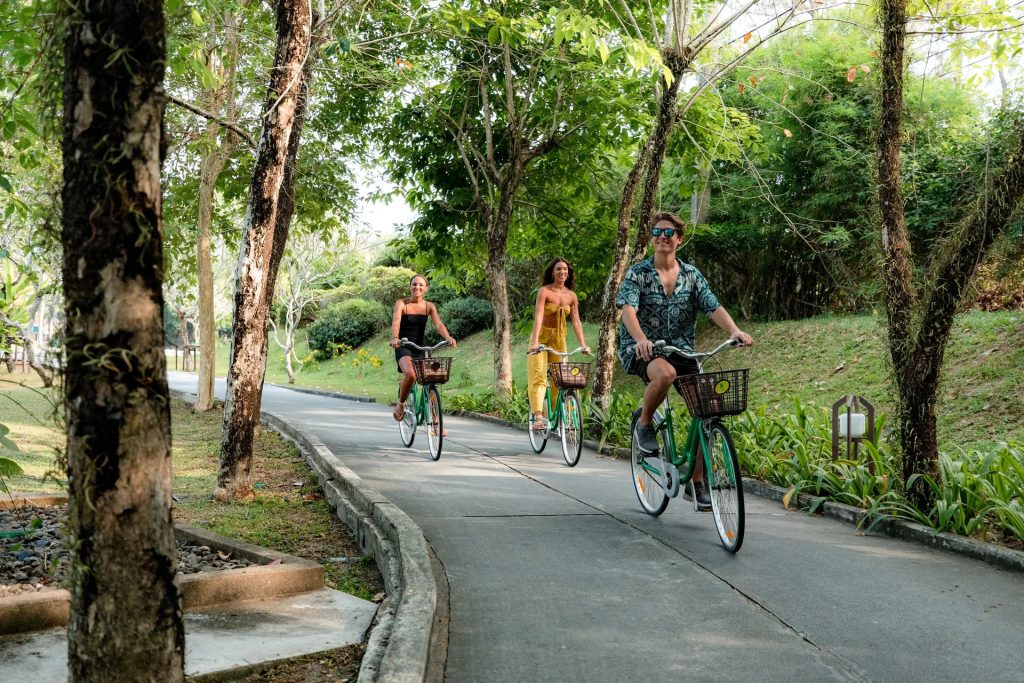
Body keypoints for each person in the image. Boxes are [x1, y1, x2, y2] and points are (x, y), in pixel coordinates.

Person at [615, 212, 752, 506]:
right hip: (643, 348)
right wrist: (640, 339)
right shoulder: (637, 273)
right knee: (664, 374)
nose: (662, 236)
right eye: (657, 232)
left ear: (679, 239)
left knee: (709, 409)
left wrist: (735, 330)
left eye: (668, 233)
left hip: (683, 349)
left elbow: (712, 306)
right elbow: (628, 310)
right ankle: (645, 423)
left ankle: (698, 481)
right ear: (652, 238)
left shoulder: (691, 274)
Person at [527, 258, 590, 430]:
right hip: (540, 337)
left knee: (561, 379)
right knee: (539, 375)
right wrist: (534, 342)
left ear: (568, 273)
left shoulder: (571, 296)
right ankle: (538, 416)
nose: (562, 272)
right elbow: (538, 316)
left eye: (565, 269)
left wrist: (583, 345)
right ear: (552, 272)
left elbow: (576, 321)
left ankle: (556, 415)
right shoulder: (544, 292)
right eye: (558, 269)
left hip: (559, 338)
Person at [389, 274, 457, 427]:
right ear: (410, 286)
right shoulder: (402, 303)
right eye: (414, 284)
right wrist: (395, 338)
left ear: (426, 288)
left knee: (432, 380)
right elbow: (396, 321)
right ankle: (400, 404)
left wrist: (448, 337)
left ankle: (436, 424)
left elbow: (438, 324)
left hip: (422, 346)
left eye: (420, 285)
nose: (417, 287)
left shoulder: (429, 306)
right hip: (404, 345)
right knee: (411, 374)